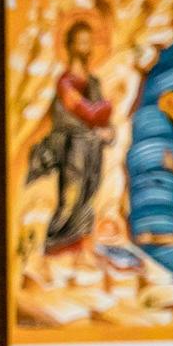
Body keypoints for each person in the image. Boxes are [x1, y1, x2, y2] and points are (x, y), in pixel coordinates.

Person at [27, 19, 114, 252]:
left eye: (90, 42)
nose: (87, 48)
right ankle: (53, 245)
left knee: (88, 197)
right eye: (82, 43)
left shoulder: (93, 81)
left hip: (91, 150)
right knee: (70, 200)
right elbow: (88, 112)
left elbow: (102, 117)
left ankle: (77, 248)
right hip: (72, 149)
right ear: (71, 46)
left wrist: (108, 130)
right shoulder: (66, 83)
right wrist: (100, 121)